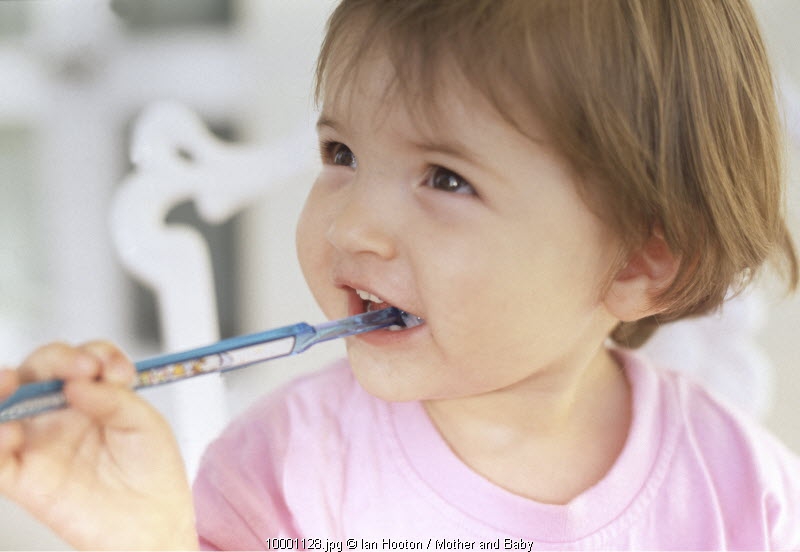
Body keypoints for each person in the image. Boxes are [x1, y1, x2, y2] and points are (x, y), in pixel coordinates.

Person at [1, 0, 799, 549]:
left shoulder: (742, 488)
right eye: (340, 154)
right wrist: (147, 539)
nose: (351, 227)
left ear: (638, 260)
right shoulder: (284, 468)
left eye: (445, 179)